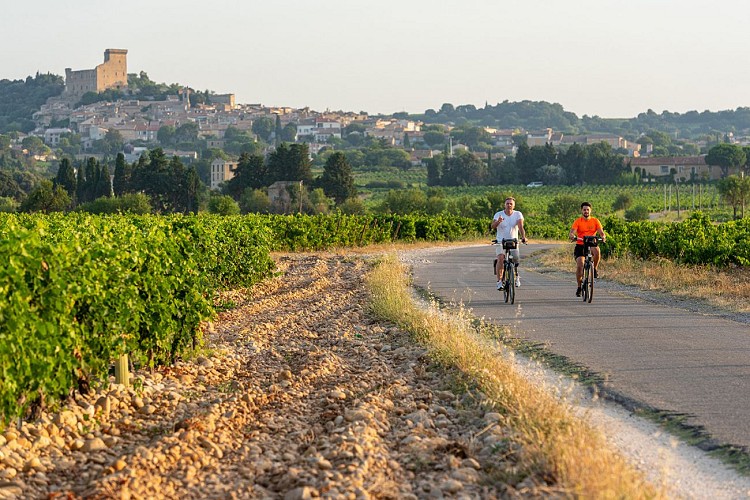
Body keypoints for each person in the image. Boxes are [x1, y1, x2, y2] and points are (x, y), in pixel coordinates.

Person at [569, 201, 607, 297]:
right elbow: (572, 232)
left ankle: (595, 269)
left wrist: (603, 236)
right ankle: (579, 286)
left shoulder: (595, 221)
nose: (586, 211)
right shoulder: (578, 221)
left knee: (597, 250)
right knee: (580, 265)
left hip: (591, 243)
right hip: (580, 244)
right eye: (584, 210)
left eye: (587, 210)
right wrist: (572, 236)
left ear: (590, 211)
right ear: (581, 211)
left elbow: (601, 231)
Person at [491, 197, 527, 290]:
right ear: (504, 205)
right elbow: (493, 226)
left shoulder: (517, 214)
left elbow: (520, 226)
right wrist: (498, 221)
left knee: (515, 259)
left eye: (511, 203)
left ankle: (516, 276)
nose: (509, 205)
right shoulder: (498, 214)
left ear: (514, 205)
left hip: (513, 240)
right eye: (507, 203)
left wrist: (523, 237)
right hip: (501, 241)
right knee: (501, 258)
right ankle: (499, 281)